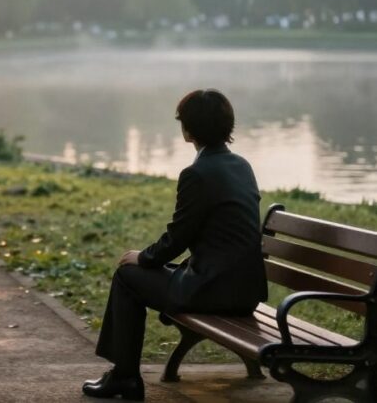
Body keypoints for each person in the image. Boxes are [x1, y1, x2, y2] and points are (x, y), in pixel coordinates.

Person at [82, 89, 267, 401]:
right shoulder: (241, 165)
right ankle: (123, 375)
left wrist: (142, 257)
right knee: (151, 271)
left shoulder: (197, 173)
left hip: (212, 292)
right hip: (246, 292)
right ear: (227, 126)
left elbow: (177, 238)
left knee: (127, 277)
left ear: (188, 131)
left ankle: (125, 377)